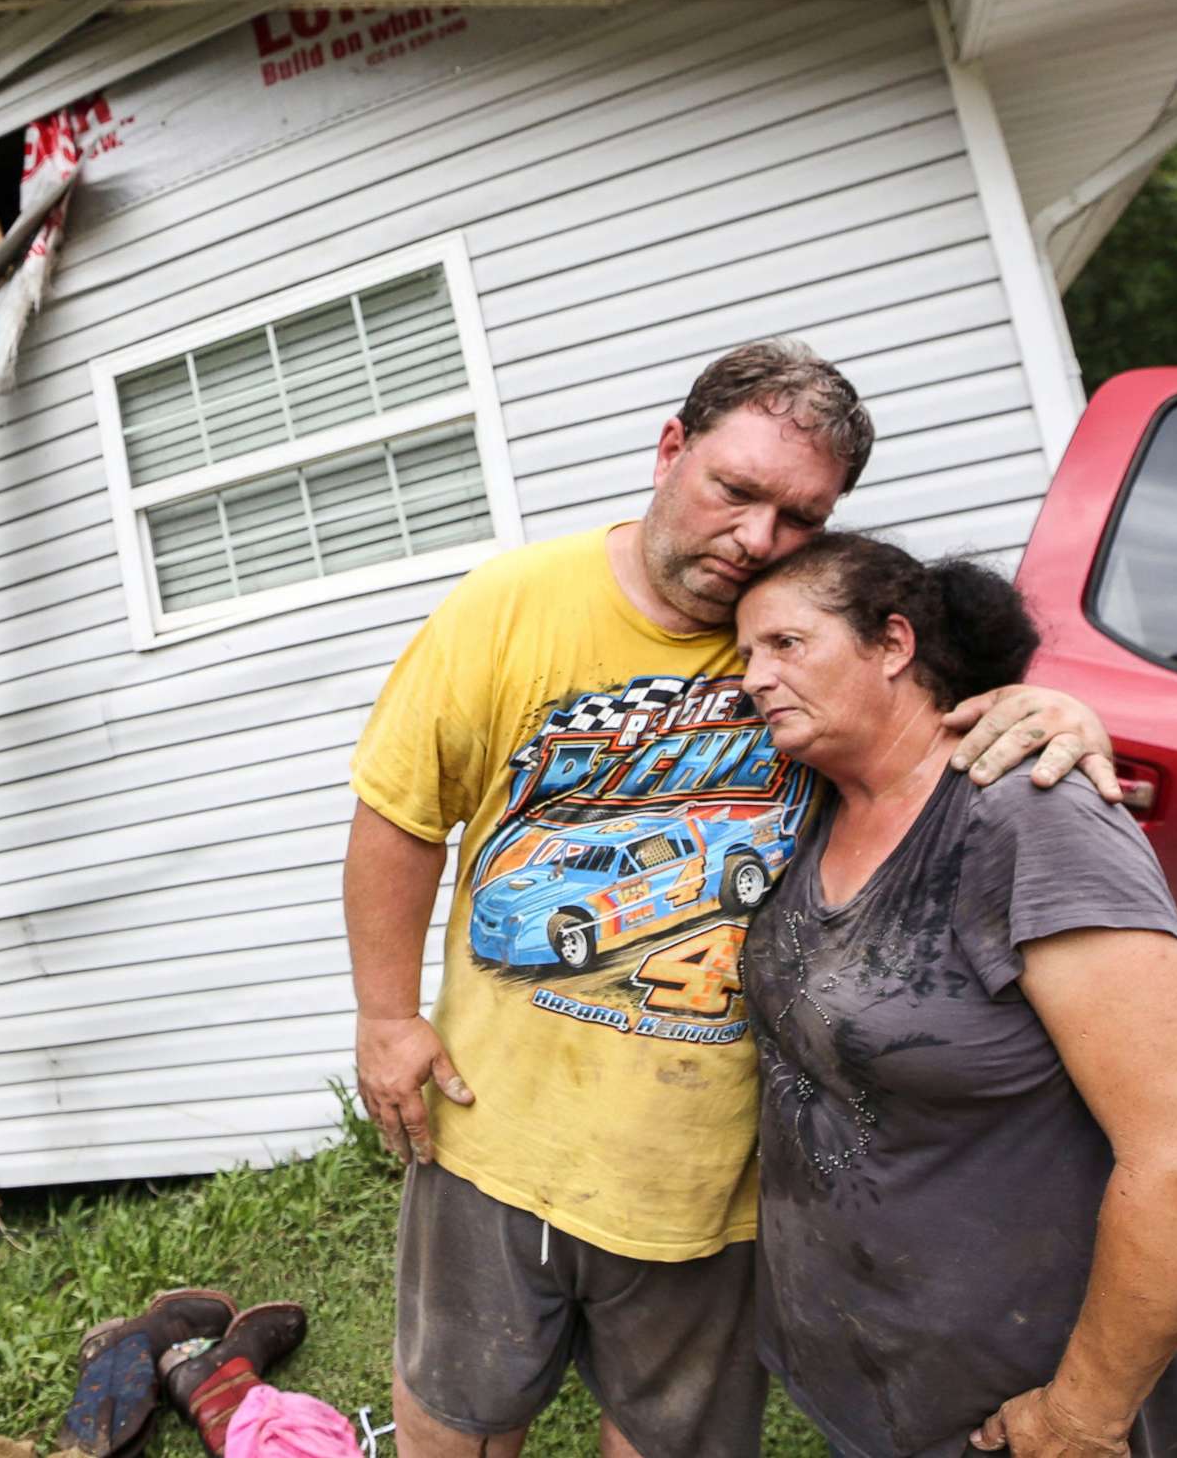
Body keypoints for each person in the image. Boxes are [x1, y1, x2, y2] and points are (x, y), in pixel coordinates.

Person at [343, 339, 1124, 1458]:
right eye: (736, 490)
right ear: (671, 451)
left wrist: (1054, 709)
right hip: (494, 1129)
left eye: (800, 516)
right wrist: (385, 1016)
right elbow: (400, 816)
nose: (758, 539)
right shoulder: (511, 604)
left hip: (716, 1169)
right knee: (455, 1409)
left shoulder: (811, 642)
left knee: (671, 1436)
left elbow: (943, 692)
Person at [736, 533, 1177, 1458]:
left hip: (1019, 1415)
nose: (754, 678)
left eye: (785, 645)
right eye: (745, 655)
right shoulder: (810, 807)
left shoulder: (1030, 815)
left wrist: (1080, 1419)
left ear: (893, 644)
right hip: (875, 1385)